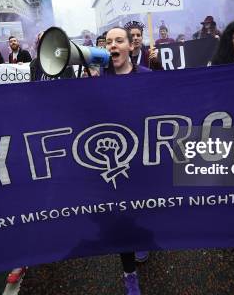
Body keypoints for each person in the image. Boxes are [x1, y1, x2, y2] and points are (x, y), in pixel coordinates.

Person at [102, 27, 151, 294]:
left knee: (142, 207)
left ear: (131, 46)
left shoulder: (146, 76)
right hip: (115, 164)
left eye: (119, 40)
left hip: (142, 159)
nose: (113, 45)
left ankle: (141, 236)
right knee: (122, 217)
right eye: (108, 42)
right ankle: (129, 272)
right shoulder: (97, 79)